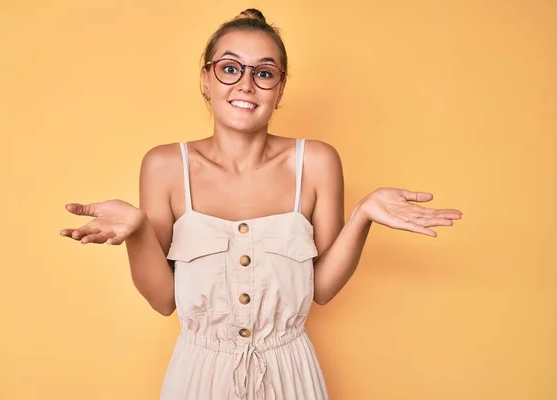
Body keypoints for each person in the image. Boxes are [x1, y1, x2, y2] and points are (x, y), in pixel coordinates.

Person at [60, 8, 462, 400]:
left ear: (280, 88)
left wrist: (364, 214)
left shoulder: (317, 162)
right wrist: (137, 231)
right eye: (230, 68)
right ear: (206, 78)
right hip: (199, 375)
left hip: (291, 373)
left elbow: (321, 290)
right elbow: (163, 300)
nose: (246, 85)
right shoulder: (165, 165)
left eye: (264, 73)